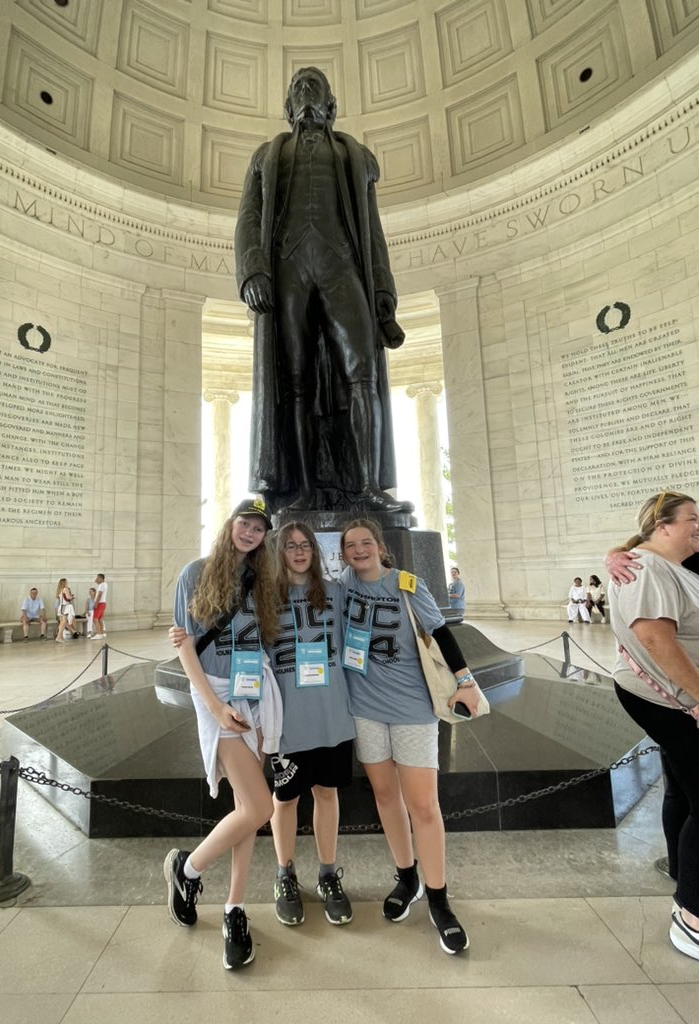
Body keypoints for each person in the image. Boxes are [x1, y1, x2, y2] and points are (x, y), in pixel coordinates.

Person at [235, 66, 410, 515]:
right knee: (295, 382)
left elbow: (373, 231)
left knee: (362, 372)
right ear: (288, 106)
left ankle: (367, 487)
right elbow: (249, 218)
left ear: (331, 105)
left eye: (315, 85)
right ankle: (304, 490)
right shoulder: (266, 156)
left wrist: (383, 289)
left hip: (341, 264)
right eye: (298, 86)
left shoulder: (356, 156)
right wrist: (252, 270)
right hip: (287, 268)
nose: (306, 90)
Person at [338, 519, 478, 954]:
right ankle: (407, 876)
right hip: (364, 709)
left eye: (366, 542)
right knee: (385, 796)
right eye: (351, 545)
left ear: (380, 546)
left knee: (423, 805)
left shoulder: (406, 584)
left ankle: (438, 898)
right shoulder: (342, 585)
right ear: (343, 554)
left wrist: (466, 681)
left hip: (412, 709)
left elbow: (440, 632)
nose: (359, 550)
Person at [166, 498, 282, 971]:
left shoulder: (262, 579)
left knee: (245, 808)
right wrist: (214, 707)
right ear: (231, 524)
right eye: (244, 523)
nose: (249, 532)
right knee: (260, 808)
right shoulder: (194, 573)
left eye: (258, 528)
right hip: (216, 693)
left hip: (253, 692)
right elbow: (185, 645)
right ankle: (188, 868)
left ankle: (235, 906)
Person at [606, 490, 699, 961]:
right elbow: (654, 638)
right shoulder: (646, 568)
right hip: (674, 700)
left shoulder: (671, 562)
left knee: (682, 789)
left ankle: (685, 872)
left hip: (678, 698)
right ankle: (691, 915)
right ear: (663, 526)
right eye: (692, 518)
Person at [267, 521, 356, 927]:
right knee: (285, 799)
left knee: (326, 793)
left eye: (305, 545)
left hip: (331, 713)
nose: (299, 552)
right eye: (291, 546)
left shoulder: (335, 593)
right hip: (287, 717)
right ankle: (284, 874)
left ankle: (327, 874)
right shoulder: (266, 597)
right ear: (280, 552)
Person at [55, 579, 78, 643]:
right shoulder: (65, 589)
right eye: (66, 582)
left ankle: (60, 636)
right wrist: (72, 597)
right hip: (66, 607)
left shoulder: (60, 590)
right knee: (64, 622)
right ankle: (59, 637)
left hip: (62, 606)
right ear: (64, 582)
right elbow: (68, 597)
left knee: (62, 622)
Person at [90, 573, 107, 639]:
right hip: (103, 603)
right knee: (100, 619)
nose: (96, 579)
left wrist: (95, 604)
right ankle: (101, 633)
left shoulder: (101, 585)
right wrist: (97, 581)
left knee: (95, 619)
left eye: (97, 578)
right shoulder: (105, 584)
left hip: (99, 603)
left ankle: (98, 634)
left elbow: (99, 595)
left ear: (101, 578)